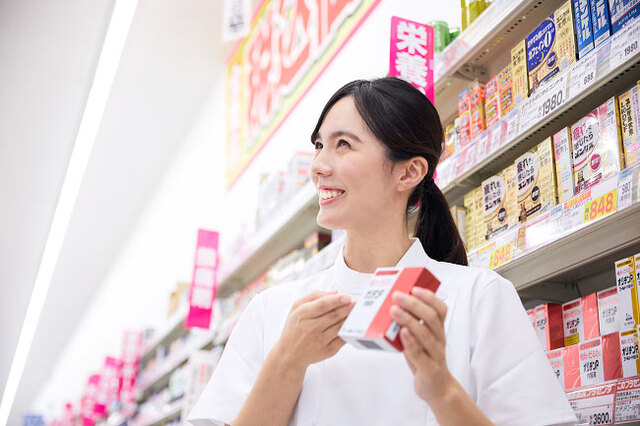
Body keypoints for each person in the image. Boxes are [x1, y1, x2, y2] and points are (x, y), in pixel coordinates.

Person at [188, 77, 577, 426]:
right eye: (319, 145)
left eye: (343, 144)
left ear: (409, 172)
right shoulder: (273, 310)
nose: (318, 166)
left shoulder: (479, 296)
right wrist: (286, 361)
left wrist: (442, 391)